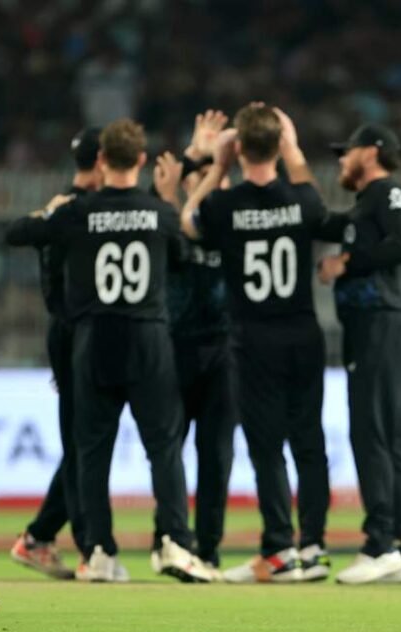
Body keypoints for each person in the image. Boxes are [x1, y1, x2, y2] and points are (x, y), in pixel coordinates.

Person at [7, 118, 217, 583]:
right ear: (141, 161)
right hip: (148, 339)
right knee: (164, 447)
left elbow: (17, 233)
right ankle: (176, 544)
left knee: (92, 449)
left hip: (93, 341)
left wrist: (50, 212)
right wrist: (171, 194)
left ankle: (99, 552)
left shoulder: (77, 211)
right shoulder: (158, 212)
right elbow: (186, 256)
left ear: (101, 160)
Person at [177, 104, 332, 583]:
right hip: (303, 332)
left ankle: (279, 548)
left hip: (252, 336)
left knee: (266, 447)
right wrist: (294, 147)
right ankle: (315, 547)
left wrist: (217, 167)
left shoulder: (225, 205)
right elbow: (319, 208)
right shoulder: (303, 199)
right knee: (309, 442)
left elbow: (187, 220)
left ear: (239, 148)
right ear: (279, 146)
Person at [317, 124, 401, 584]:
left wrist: (347, 262)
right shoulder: (366, 204)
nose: (341, 159)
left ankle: (382, 544)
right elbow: (322, 221)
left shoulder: (388, 193)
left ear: (373, 151)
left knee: (373, 434)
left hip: (378, 324)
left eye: (348, 150)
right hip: (376, 326)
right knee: (387, 437)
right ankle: (400, 546)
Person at [6, 127, 102, 580]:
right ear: (104, 162)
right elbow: (18, 232)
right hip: (76, 333)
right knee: (83, 444)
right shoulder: (79, 210)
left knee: (84, 443)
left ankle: (41, 536)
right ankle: (85, 547)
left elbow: (20, 231)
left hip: (76, 333)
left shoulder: (64, 206)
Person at [152, 109, 238, 570]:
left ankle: (206, 548)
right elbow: (170, 212)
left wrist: (207, 165)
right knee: (170, 449)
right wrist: (194, 155)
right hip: (176, 347)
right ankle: (169, 539)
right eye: (195, 176)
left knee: (216, 456)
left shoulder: (231, 221)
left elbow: (206, 208)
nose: (200, 180)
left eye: (211, 173)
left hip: (224, 350)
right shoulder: (167, 218)